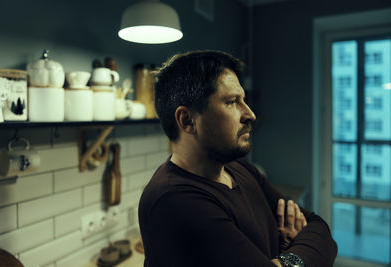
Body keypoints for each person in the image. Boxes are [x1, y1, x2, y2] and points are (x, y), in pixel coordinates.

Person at [138, 50, 337, 267]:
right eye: (232, 102)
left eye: (243, 100)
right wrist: (291, 248)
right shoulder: (175, 200)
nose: (250, 114)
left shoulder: (239, 169)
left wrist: (284, 258)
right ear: (187, 120)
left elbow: (319, 227)